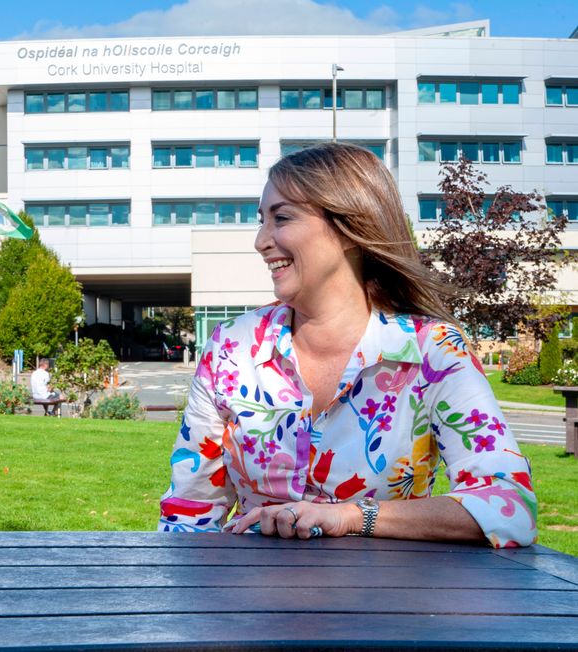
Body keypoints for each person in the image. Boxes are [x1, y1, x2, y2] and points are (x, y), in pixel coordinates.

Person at [158, 142, 536, 548]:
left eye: (281, 217)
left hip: (387, 603)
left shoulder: (434, 351)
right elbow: (188, 514)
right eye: (261, 220)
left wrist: (351, 517)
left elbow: (508, 506)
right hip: (249, 604)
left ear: (349, 228)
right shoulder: (230, 349)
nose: (260, 240)